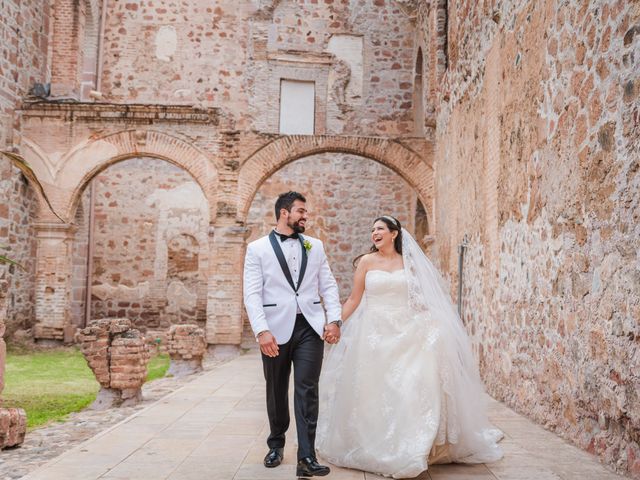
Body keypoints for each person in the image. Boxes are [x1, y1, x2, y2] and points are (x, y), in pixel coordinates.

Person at [316, 215, 503, 478]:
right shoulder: (367, 262)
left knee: (411, 386)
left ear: (394, 234)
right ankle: (375, 441)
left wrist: (436, 323)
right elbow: (354, 299)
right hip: (374, 334)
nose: (374, 233)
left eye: (380, 229)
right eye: (372, 230)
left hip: (406, 332)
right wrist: (334, 323)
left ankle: (414, 445)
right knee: (373, 389)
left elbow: (420, 299)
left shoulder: (409, 263)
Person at [243, 191, 342, 478]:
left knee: (307, 390)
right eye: (300, 211)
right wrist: (261, 330)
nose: (305, 216)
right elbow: (252, 294)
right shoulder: (257, 249)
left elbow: (329, 285)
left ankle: (307, 456)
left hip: (310, 327)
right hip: (273, 328)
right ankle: (276, 443)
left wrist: (333, 319)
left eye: (305, 212)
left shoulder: (315, 246)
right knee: (275, 388)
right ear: (284, 213)